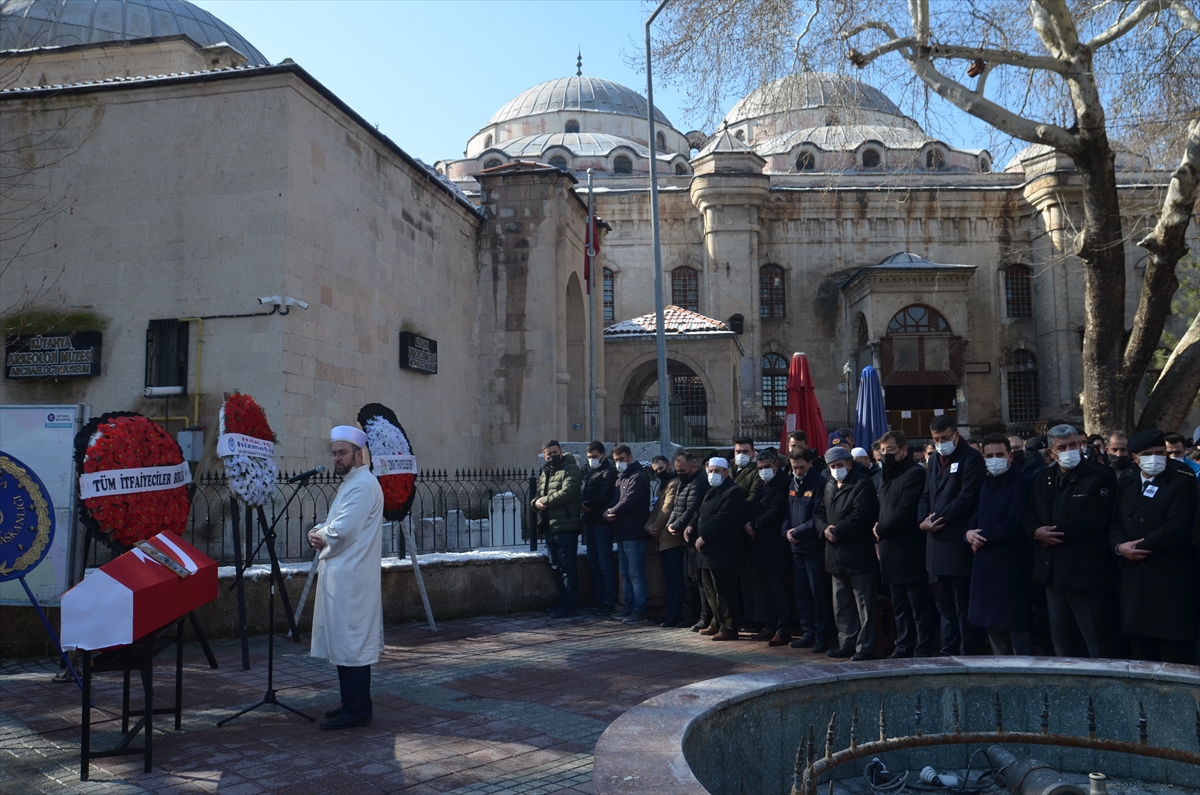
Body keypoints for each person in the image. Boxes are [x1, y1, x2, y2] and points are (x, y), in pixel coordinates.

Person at [308, 425, 384, 730]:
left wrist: (320, 534)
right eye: (334, 453)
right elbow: (335, 523)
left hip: (353, 577)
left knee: (352, 642)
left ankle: (358, 710)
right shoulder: (352, 482)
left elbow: (342, 529)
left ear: (358, 454)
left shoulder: (363, 484)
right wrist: (322, 531)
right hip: (344, 573)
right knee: (343, 641)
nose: (336, 458)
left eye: (342, 453)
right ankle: (352, 704)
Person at [1024, 424, 1119, 658]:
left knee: (1096, 641)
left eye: (1073, 445)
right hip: (1051, 570)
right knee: (1061, 643)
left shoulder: (1100, 476)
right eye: (1062, 447)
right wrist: (1036, 531)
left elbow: (1094, 518)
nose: (1069, 450)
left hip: (1086, 569)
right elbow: (1029, 511)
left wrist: (1054, 533)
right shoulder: (1042, 477)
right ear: (1052, 452)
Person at [1109, 430, 1198, 664]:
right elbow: (1115, 519)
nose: (1155, 458)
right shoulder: (1127, 479)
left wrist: (1141, 545)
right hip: (1134, 577)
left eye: (1160, 453)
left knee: (1173, 652)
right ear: (1136, 458)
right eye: (1147, 454)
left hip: (1169, 574)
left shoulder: (1181, 477)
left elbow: (1177, 524)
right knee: (1141, 650)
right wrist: (1120, 546)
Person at [917, 415, 985, 656]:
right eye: (936, 439)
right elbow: (927, 493)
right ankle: (947, 653)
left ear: (956, 435)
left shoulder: (972, 458)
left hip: (956, 543)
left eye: (945, 438)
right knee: (943, 607)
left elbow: (966, 498)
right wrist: (922, 521)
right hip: (935, 544)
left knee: (962, 607)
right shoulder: (934, 459)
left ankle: (968, 653)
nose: (941, 443)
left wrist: (936, 519)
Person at [965, 434, 1035, 656]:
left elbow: (1013, 523)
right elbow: (976, 514)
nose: (994, 459)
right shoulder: (986, 480)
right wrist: (968, 533)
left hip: (1010, 563)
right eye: (989, 455)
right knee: (992, 625)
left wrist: (981, 536)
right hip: (985, 562)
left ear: (1010, 456)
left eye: (1000, 455)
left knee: (1015, 626)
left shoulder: (1022, 482)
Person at [815, 446, 881, 661]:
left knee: (864, 605)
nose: (836, 470)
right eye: (832, 467)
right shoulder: (828, 485)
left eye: (839, 466)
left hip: (858, 553)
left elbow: (861, 514)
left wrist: (838, 531)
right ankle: (846, 642)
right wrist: (824, 528)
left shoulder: (862, 483)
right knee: (841, 603)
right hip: (834, 554)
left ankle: (865, 647)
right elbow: (818, 512)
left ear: (849, 464)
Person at [874, 431, 936, 659]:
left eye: (890, 449)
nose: (885, 454)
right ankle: (903, 645)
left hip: (909, 549)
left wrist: (880, 528)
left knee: (917, 604)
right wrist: (878, 538)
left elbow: (906, 510)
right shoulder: (888, 474)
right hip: (889, 549)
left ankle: (923, 647)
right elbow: (884, 508)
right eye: (883, 450)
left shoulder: (914, 473)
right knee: (898, 605)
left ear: (903, 449)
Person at [691, 457, 747, 641]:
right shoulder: (711, 491)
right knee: (710, 589)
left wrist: (704, 536)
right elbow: (701, 512)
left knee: (724, 590)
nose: (713, 474)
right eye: (710, 470)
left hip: (722, 550)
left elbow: (722, 518)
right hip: (708, 551)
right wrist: (692, 526)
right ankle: (716, 622)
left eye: (717, 471)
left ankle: (729, 627)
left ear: (726, 472)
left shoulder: (733, 492)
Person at [785, 448, 832, 653]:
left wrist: (798, 532)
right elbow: (787, 511)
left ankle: (821, 636)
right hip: (797, 548)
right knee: (802, 593)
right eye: (794, 467)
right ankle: (808, 632)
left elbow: (819, 517)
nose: (798, 471)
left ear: (810, 464)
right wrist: (786, 531)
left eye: (801, 467)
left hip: (814, 548)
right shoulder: (792, 482)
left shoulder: (819, 483)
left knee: (818, 594)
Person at [745, 451, 792, 645]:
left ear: (775, 465)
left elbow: (776, 511)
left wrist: (754, 525)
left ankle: (783, 628)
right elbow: (754, 506)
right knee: (767, 591)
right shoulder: (762, 485)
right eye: (760, 468)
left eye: (766, 467)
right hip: (760, 545)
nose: (764, 471)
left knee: (779, 590)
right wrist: (747, 523)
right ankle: (770, 625)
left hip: (775, 545)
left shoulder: (783, 483)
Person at [533, 440, 583, 618]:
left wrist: (543, 502)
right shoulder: (546, 471)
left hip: (566, 525)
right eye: (549, 454)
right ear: (544, 456)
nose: (552, 456)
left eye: (555, 452)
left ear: (561, 451)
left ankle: (569, 604)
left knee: (567, 566)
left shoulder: (571, 469)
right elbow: (538, 494)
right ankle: (562, 601)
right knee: (556, 566)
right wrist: (536, 503)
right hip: (549, 525)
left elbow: (567, 493)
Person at [605, 445, 651, 623]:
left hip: (634, 532)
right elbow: (615, 499)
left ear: (630, 457)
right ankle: (629, 606)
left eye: (621, 459)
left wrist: (610, 512)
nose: (618, 463)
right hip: (622, 532)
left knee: (635, 574)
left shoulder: (637, 477)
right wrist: (607, 510)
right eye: (616, 460)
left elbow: (628, 501)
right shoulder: (620, 478)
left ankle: (640, 610)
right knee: (625, 573)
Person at [667, 451, 710, 630]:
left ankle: (702, 616)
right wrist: (671, 524)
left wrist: (676, 525)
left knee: (698, 580)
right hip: (686, 536)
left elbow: (692, 508)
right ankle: (695, 615)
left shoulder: (699, 482)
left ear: (694, 466)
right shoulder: (683, 483)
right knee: (691, 578)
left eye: (683, 470)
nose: (680, 473)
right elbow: (677, 506)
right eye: (677, 470)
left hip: (695, 537)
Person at [646, 456, 684, 627]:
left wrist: (655, 527)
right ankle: (670, 611)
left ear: (669, 466)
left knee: (675, 578)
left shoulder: (674, 483)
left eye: (661, 469)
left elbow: (666, 510)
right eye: (655, 471)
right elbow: (655, 510)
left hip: (672, 539)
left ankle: (676, 613)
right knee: (668, 578)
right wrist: (648, 527)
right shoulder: (662, 486)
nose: (658, 473)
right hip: (662, 539)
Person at [580, 441, 618, 615]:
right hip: (591, 521)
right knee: (593, 563)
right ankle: (598, 598)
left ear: (603, 455)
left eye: (594, 457)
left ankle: (608, 600)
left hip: (602, 523)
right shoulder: (592, 472)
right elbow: (587, 491)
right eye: (589, 457)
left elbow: (604, 494)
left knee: (604, 563)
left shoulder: (609, 472)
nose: (591, 460)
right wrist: (583, 502)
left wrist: (588, 504)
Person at [729, 437, 760, 629]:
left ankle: (754, 615)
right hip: (732, 534)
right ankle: (744, 612)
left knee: (751, 578)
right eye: (738, 452)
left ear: (753, 453)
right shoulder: (729, 471)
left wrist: (731, 512)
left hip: (746, 530)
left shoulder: (755, 472)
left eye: (745, 452)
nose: (741, 455)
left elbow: (751, 498)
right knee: (740, 577)